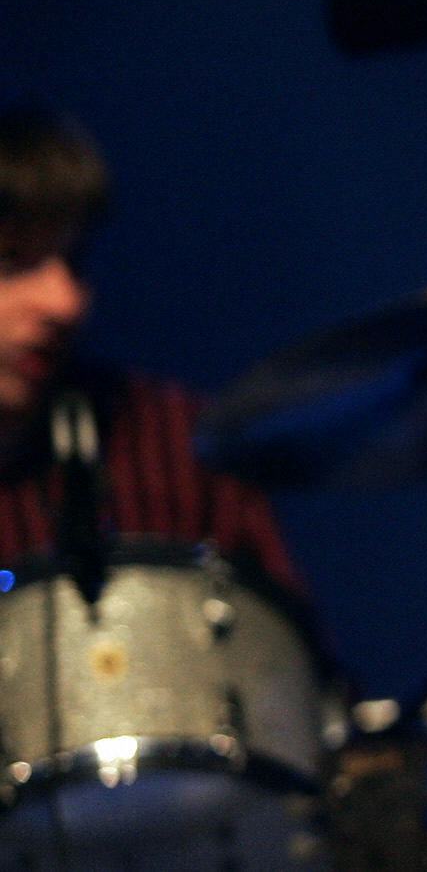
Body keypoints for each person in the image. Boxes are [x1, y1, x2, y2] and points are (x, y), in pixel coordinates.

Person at [0, 102, 301, 588]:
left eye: (75, 262)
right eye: (13, 261)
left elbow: (275, 631)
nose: (65, 301)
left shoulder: (178, 444)